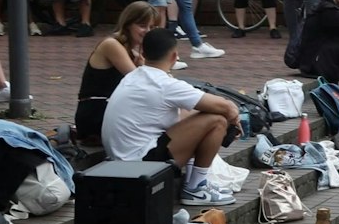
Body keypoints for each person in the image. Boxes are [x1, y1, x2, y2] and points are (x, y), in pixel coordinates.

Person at [101, 28, 240, 205]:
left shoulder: (133, 76)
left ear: (143, 53)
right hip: (142, 165)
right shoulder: (164, 84)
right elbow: (225, 106)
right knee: (217, 120)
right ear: (174, 56)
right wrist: (234, 119)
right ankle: (195, 188)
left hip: (122, 161)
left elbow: (187, 113)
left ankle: (196, 182)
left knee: (199, 114)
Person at [73, 2, 157, 142]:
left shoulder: (136, 49)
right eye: (142, 26)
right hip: (96, 114)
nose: (147, 31)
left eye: (152, 27)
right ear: (128, 24)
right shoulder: (112, 45)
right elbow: (138, 80)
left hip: (112, 110)